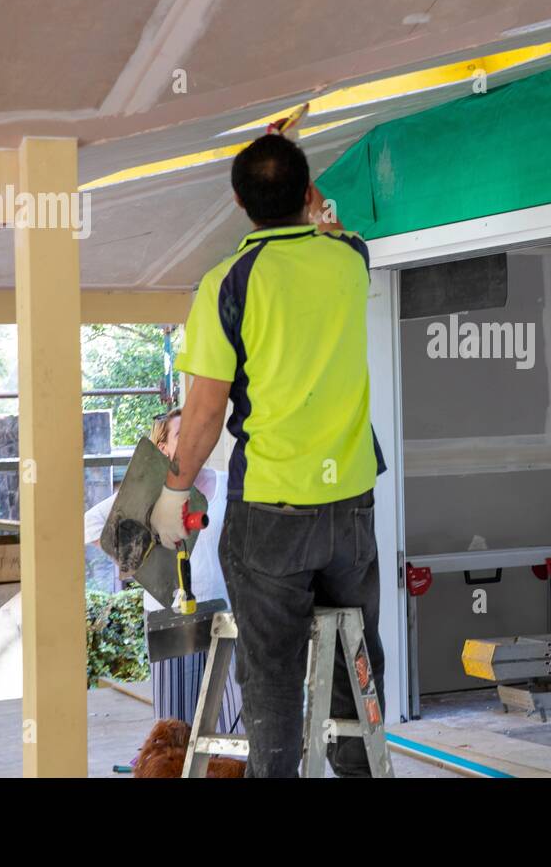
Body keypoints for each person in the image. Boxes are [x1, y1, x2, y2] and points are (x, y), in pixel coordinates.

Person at [149, 133, 384, 778]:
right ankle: (363, 767)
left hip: (274, 510)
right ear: (309, 194)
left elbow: (204, 411)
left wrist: (175, 491)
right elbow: (338, 228)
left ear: (237, 201)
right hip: (352, 507)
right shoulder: (350, 259)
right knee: (354, 661)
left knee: (273, 673)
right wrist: (315, 207)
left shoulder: (227, 283)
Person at [83, 408, 243, 734]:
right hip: (169, 616)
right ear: (164, 447)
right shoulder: (150, 492)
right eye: (180, 434)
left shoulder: (230, 485)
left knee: (234, 722)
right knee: (175, 729)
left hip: (225, 614)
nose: (192, 439)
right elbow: (91, 524)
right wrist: (137, 557)